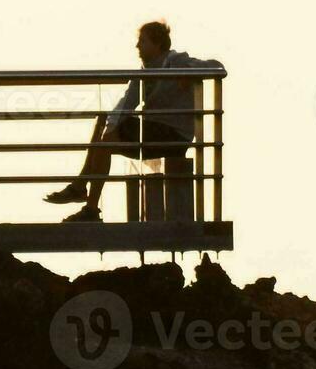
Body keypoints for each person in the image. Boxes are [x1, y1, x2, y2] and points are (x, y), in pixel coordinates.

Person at [46, 21, 223, 222]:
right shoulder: (144, 74)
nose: (137, 46)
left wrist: (189, 73)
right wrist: (110, 125)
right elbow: (124, 105)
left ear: (157, 45)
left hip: (173, 135)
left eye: (142, 41)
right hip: (153, 133)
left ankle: (83, 194)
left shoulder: (176, 62)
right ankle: (83, 193)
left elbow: (217, 66)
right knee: (105, 122)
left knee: (108, 138)